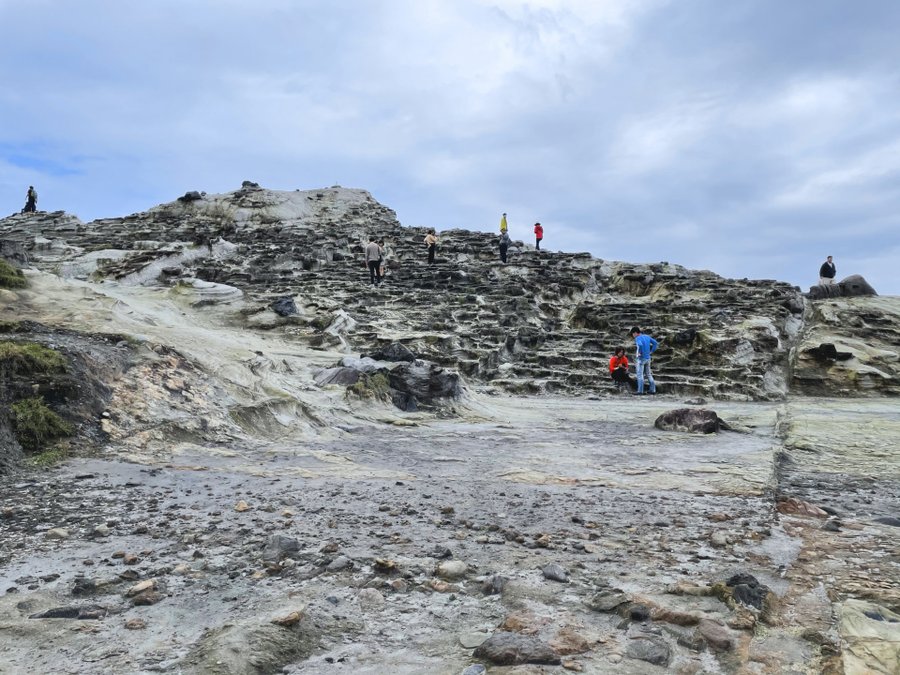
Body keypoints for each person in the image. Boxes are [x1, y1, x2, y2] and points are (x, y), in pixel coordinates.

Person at [630, 326, 659, 395]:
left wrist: (640, 352)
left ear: (635, 333)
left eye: (632, 334)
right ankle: (652, 390)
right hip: (648, 358)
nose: (633, 336)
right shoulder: (647, 336)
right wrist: (651, 351)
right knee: (648, 374)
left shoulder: (637, 338)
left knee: (640, 375)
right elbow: (655, 343)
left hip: (641, 358)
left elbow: (640, 344)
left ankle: (640, 391)